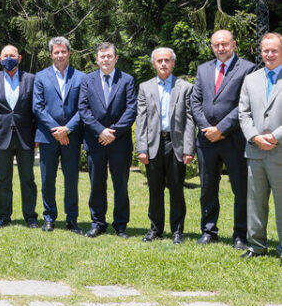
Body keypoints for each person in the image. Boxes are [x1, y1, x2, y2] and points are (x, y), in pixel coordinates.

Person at [190, 29, 255, 250]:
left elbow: (245, 105)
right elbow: (195, 101)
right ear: (211, 46)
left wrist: (222, 128)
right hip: (206, 139)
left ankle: (240, 234)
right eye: (216, 45)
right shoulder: (203, 69)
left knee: (240, 188)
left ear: (234, 44)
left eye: (225, 44)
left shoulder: (247, 68)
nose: (220, 48)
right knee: (208, 187)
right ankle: (209, 231)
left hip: (234, 139)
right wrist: (207, 127)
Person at [135, 47, 195, 244]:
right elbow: (141, 119)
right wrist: (141, 148)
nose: (163, 64)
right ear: (154, 64)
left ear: (173, 63)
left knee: (176, 189)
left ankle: (177, 231)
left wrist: (188, 148)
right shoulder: (145, 87)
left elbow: (189, 120)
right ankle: (155, 229)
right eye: (159, 60)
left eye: (167, 60)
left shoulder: (185, 87)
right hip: (153, 144)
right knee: (155, 189)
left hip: (175, 143)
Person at [78, 42, 136, 238]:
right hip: (96, 142)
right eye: (102, 56)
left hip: (119, 142)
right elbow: (83, 110)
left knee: (121, 185)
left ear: (116, 58)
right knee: (96, 184)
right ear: (97, 59)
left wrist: (113, 133)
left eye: (109, 56)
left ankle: (120, 225)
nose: (106, 59)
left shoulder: (127, 80)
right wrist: (100, 131)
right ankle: (98, 222)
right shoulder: (87, 80)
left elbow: (131, 110)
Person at [33, 36, 83, 233]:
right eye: (56, 52)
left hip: (72, 136)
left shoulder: (81, 77)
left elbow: (83, 108)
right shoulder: (41, 77)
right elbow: (38, 107)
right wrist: (57, 130)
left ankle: (72, 219)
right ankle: (49, 217)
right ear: (51, 54)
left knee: (71, 179)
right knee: (48, 179)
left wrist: (67, 129)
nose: (60, 55)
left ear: (69, 53)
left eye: (63, 51)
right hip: (48, 136)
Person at [238, 32, 282, 260]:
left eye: (274, 50)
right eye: (266, 50)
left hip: (280, 151)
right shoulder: (251, 79)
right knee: (255, 203)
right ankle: (257, 246)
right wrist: (254, 136)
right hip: (255, 151)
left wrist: (275, 136)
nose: (269, 54)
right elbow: (243, 113)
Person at [0, 44, 38, 228]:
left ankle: (30, 216)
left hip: (26, 136)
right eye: (5, 55)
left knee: (28, 179)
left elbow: (37, 109)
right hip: (1, 136)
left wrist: (37, 134)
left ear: (19, 58)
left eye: (12, 55)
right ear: (0, 59)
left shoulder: (31, 79)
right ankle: (4, 216)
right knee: (3, 179)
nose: (9, 58)